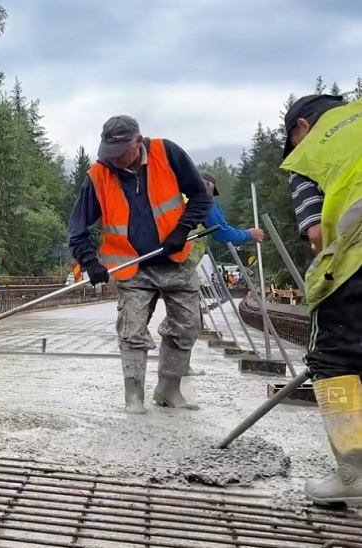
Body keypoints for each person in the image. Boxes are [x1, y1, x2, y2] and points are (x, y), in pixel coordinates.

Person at [68, 115, 212, 415]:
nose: (115, 160)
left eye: (121, 152)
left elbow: (201, 197)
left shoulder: (167, 153)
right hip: (131, 266)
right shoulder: (98, 175)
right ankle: (133, 396)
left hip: (176, 259)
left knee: (187, 326)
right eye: (109, 153)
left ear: (138, 141)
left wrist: (182, 229)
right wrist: (90, 262)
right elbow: (77, 228)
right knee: (132, 330)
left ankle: (169, 390)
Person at [279, 93, 362, 506]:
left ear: (302, 129)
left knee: (335, 361)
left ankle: (353, 473)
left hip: (356, 261)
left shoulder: (309, 153)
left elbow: (316, 233)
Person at [147, 169, 266, 376]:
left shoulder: (175, 197)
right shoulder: (204, 201)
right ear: (207, 185)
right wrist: (249, 234)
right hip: (180, 265)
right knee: (187, 319)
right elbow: (223, 232)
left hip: (159, 262)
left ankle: (173, 368)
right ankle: (175, 372)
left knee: (172, 317)